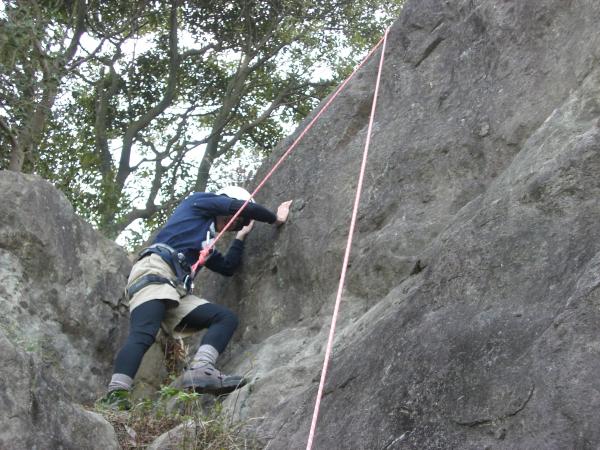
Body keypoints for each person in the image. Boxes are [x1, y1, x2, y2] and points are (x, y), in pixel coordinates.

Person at [98, 186, 292, 410]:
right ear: (225, 203)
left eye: (238, 224)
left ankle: (202, 369)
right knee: (144, 333)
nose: (234, 224)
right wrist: (275, 218)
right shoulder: (198, 202)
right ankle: (116, 394)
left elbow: (227, 267)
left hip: (175, 288)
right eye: (236, 219)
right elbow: (241, 207)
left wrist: (240, 237)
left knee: (225, 318)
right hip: (154, 270)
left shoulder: (205, 244)